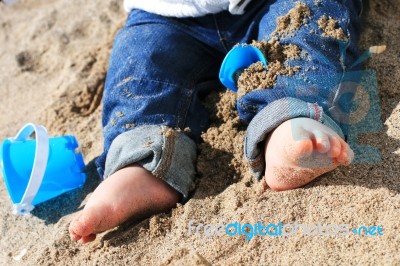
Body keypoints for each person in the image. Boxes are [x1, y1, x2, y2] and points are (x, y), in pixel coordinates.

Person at [69, 0, 363, 243]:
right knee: (141, 70)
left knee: (310, 30)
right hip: (168, 15)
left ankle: (288, 119)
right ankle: (144, 158)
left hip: (274, 3)